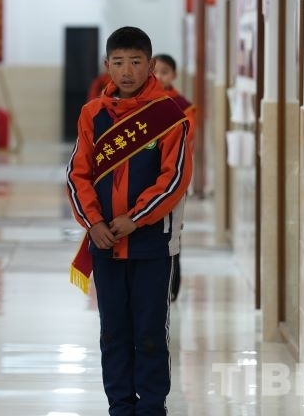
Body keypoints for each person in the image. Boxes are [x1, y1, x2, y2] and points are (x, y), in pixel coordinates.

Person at [66, 27, 193, 416]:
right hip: (105, 242)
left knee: (150, 331)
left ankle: (152, 407)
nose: (126, 71)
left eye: (135, 62)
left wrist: (135, 219)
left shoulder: (168, 116)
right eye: (118, 62)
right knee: (113, 331)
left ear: (150, 65)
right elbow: (78, 174)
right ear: (107, 65)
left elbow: (174, 179)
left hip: (152, 244)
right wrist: (94, 223)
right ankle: (119, 407)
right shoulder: (93, 114)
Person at [152, 53, 196, 303]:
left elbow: (186, 141)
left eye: (165, 72)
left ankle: (172, 284)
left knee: (172, 233)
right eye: (155, 71)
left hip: (173, 179)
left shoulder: (183, 106)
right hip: (146, 180)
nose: (159, 77)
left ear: (174, 75)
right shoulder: (140, 103)